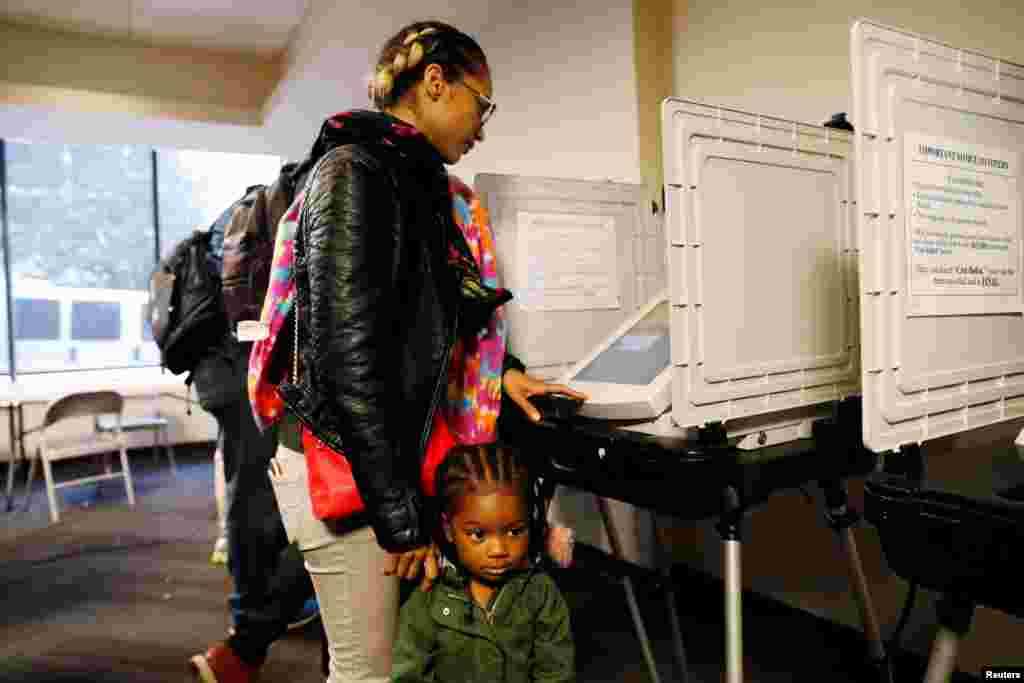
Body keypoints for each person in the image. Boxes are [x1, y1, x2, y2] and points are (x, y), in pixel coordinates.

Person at [267, 19, 586, 683]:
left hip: (372, 456)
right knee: (366, 671)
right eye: (483, 102)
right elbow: (349, 356)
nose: (483, 125)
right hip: (344, 459)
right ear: (435, 82)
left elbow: (433, 316)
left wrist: (508, 376)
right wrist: (400, 518)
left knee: (396, 662)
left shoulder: (411, 183)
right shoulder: (355, 172)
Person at [189, 241, 320, 682]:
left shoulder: (243, 222)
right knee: (281, 511)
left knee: (251, 499)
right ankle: (247, 638)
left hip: (224, 371)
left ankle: (247, 633)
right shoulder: (323, 198)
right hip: (259, 372)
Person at [391, 442, 575, 682]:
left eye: (515, 531)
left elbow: (556, 674)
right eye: (478, 534)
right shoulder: (427, 600)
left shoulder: (541, 595)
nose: (498, 550)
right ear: (449, 529)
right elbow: (408, 676)